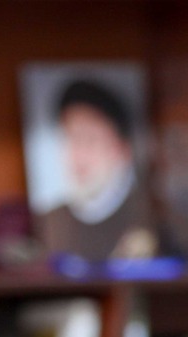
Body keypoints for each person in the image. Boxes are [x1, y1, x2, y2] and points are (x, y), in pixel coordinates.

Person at [35, 76, 155, 265]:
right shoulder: (50, 221)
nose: (78, 156)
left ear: (121, 149)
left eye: (90, 140)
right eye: (71, 139)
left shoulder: (151, 217)